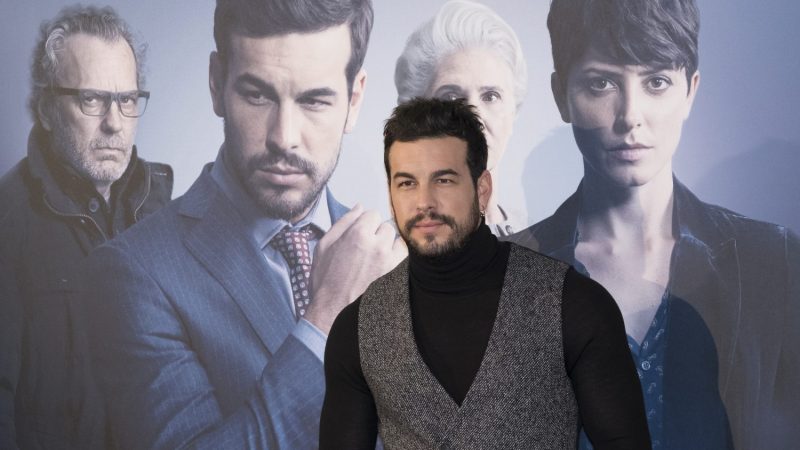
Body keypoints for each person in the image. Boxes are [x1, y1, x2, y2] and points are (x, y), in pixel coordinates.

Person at [82, 0, 405, 448]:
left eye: (314, 100)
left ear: (353, 101)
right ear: (217, 84)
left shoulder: (397, 262)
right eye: (258, 95)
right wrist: (329, 318)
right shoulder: (133, 273)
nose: (284, 137)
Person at [508, 0, 800, 448]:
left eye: (656, 82)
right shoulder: (503, 275)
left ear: (690, 91)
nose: (631, 116)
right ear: (560, 94)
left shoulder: (773, 262)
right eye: (601, 83)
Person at [319, 98, 650, 449]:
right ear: (391, 195)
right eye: (407, 183)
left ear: (482, 189)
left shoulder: (574, 305)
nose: (424, 202)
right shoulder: (359, 328)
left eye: (443, 180)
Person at [0, 5, 172, 449]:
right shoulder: (8, 220)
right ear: (46, 109)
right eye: (91, 100)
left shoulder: (165, 212)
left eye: (127, 100)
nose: (114, 123)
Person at [394, 0, 527, 237]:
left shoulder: (542, 242)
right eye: (451, 97)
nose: (474, 118)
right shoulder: (390, 249)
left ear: (513, 112)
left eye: (491, 96)